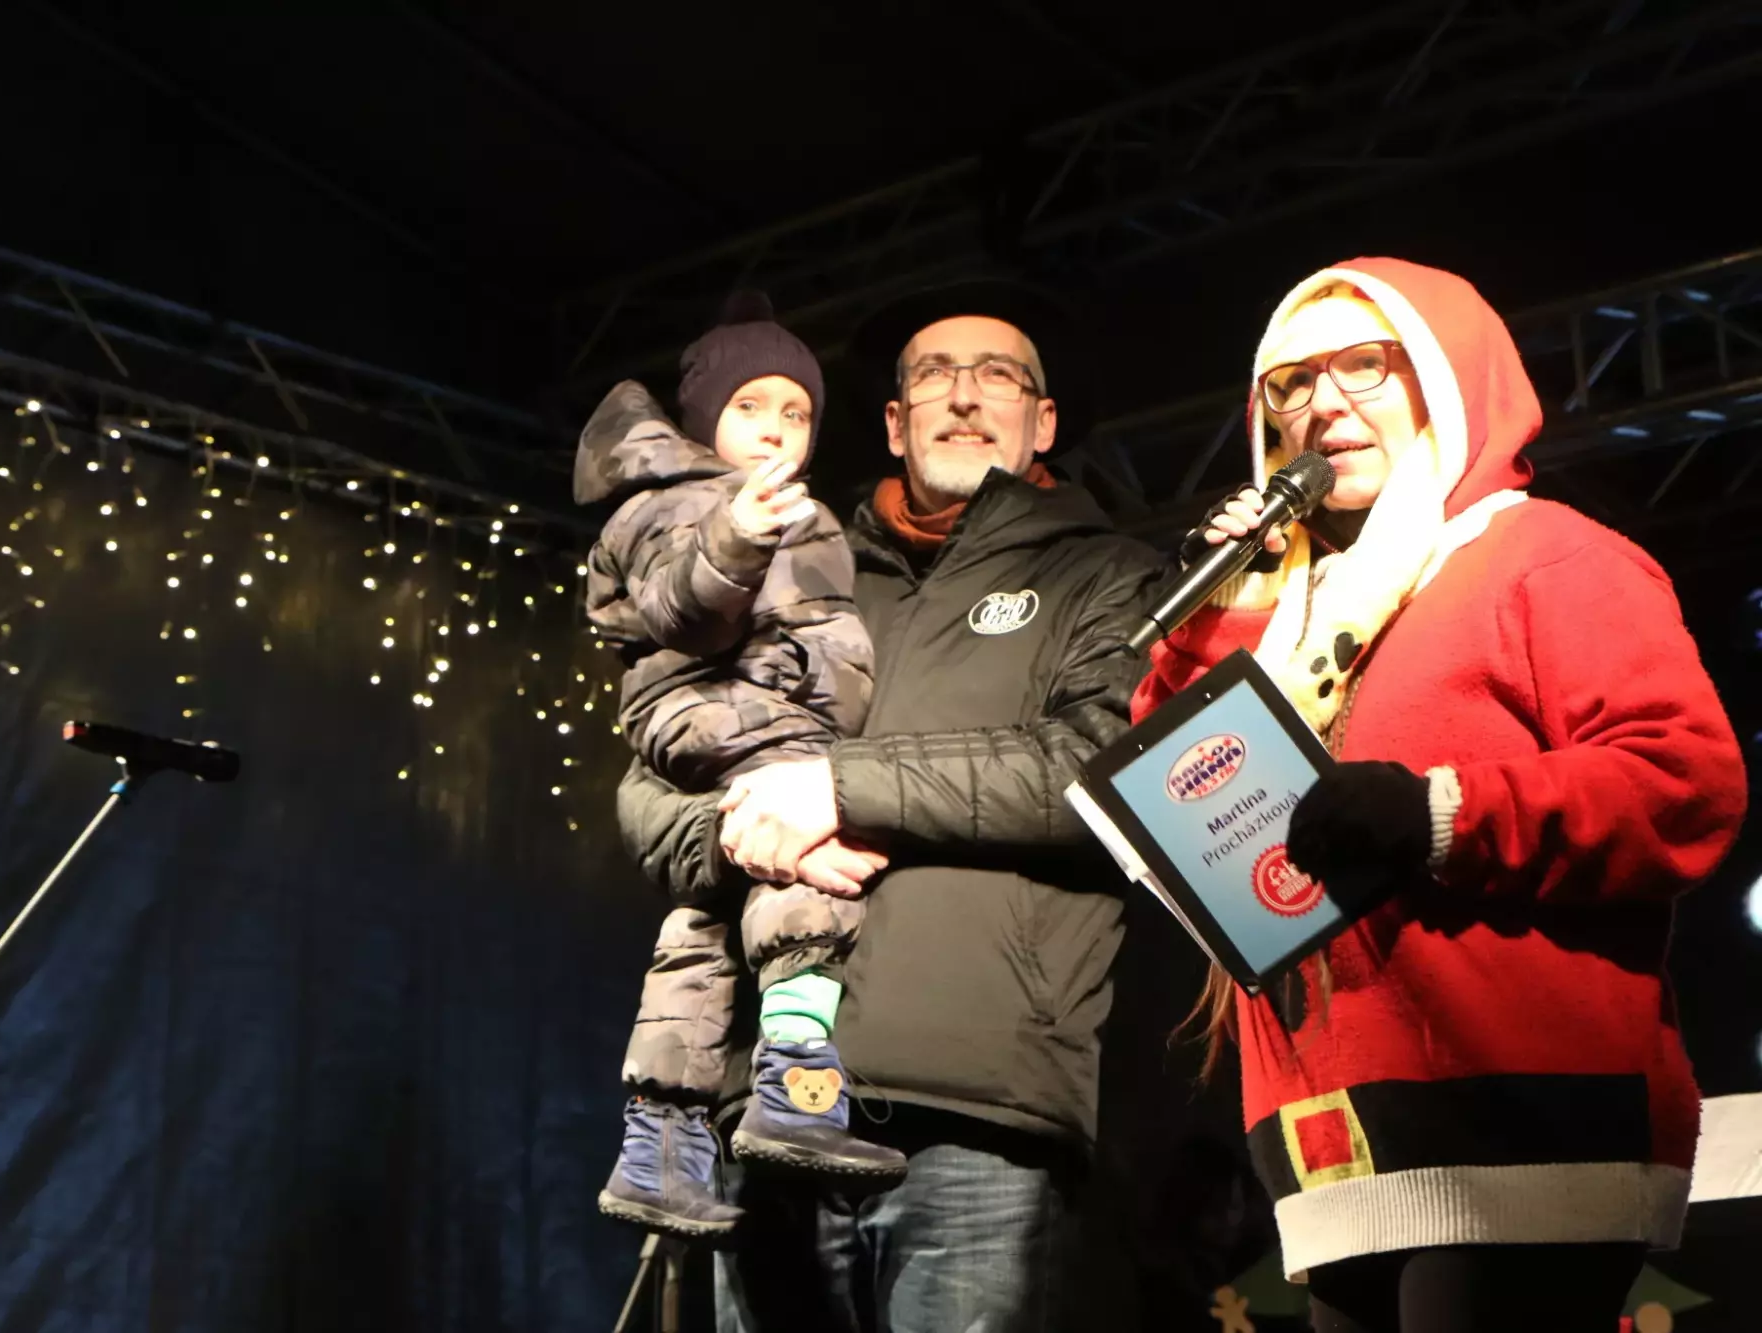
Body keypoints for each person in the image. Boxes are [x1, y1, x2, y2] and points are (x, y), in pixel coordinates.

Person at [1131, 257, 1748, 1333]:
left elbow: (1680, 782)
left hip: (1519, 1124)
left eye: (1364, 364)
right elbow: (1179, 784)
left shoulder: (1541, 556)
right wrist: (1218, 610)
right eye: (1291, 381)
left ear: (1445, 377)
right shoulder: (1280, 611)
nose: (1323, 403)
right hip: (1332, 1137)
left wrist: (1437, 812)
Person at [612, 279, 1170, 1330]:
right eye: (932, 376)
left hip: (978, 1116)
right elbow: (650, 779)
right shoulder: (787, 560)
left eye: (996, 374)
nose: (962, 395)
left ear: (1043, 418)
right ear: (893, 421)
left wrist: (837, 784)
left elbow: (1103, 768)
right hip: (769, 1111)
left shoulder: (1111, 576)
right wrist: (731, 829)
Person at [577, 292, 908, 1244]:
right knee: (809, 861)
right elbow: (683, 608)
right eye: (750, 406)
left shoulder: (777, 506)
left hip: (740, 714)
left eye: (795, 411)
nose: (774, 429)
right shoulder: (683, 501)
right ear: (703, 420)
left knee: (703, 927)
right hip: (735, 716)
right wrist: (737, 534)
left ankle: (661, 1143)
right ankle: (799, 1084)